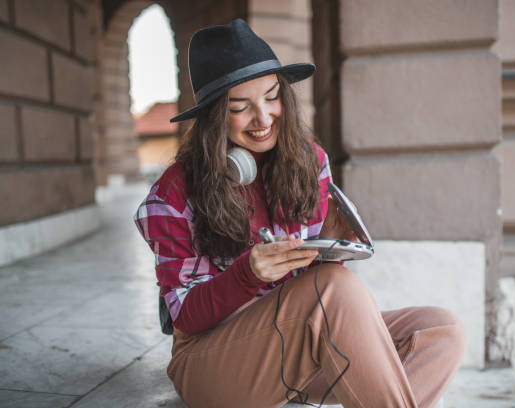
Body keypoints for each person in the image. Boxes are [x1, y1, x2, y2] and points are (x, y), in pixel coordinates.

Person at [134, 18, 465, 408]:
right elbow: (184, 317)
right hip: (212, 362)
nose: (263, 119)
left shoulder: (309, 162)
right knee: (332, 290)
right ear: (213, 119)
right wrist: (248, 274)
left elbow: (319, 295)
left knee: (441, 331)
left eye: (272, 97)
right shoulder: (173, 193)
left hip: (294, 349)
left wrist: (334, 245)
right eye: (240, 108)